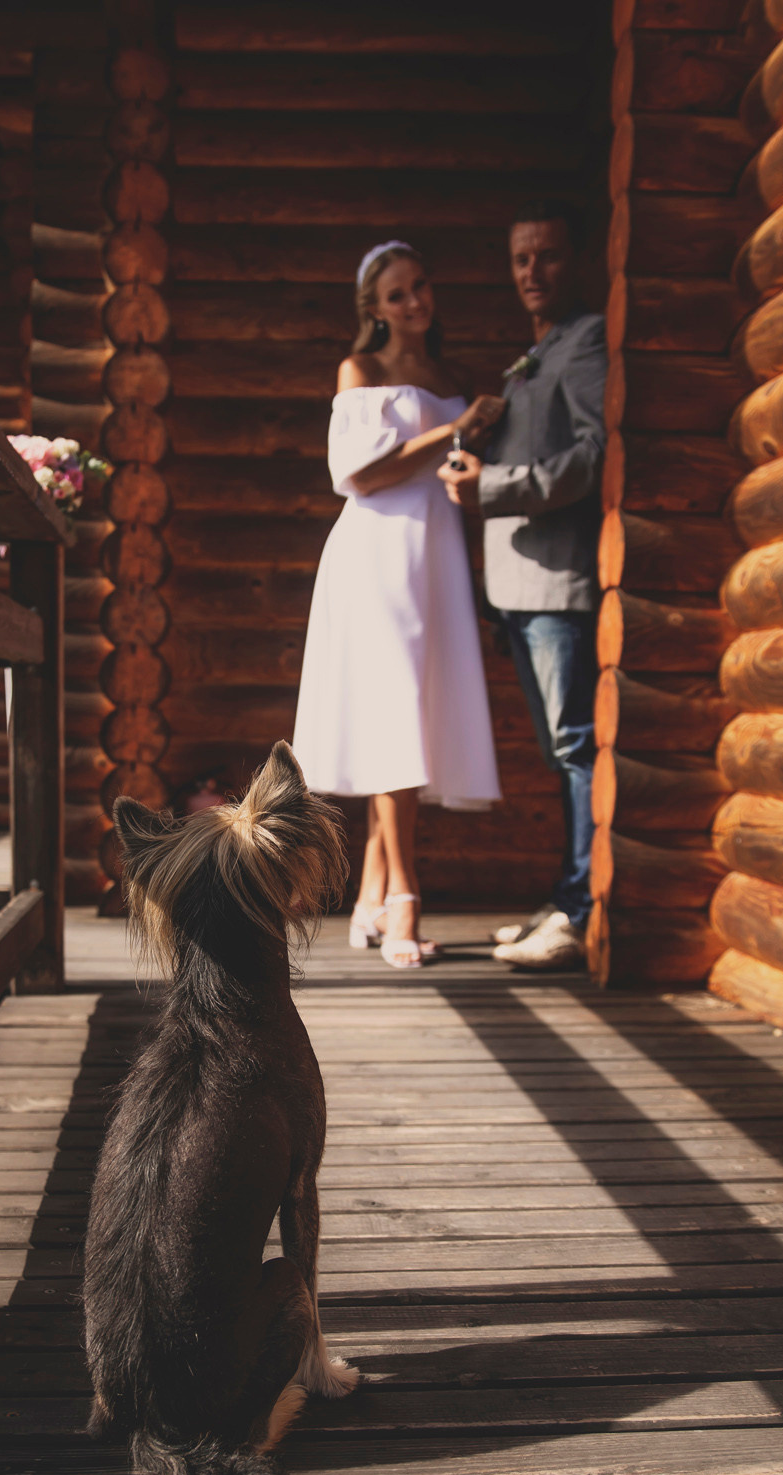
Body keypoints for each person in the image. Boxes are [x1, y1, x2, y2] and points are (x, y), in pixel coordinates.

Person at [292, 239, 503, 969]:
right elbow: (362, 476)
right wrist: (452, 428)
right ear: (373, 310)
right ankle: (405, 898)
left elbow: (450, 473)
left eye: (420, 286)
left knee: (415, 713)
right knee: (392, 718)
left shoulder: (448, 375)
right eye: (396, 294)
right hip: (377, 554)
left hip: (435, 555)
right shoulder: (361, 371)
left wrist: (468, 461)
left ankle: (369, 901)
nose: (414, 301)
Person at [439, 199, 607, 970]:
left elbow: (588, 456)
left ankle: (576, 911)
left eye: (546, 256)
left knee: (576, 748)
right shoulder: (530, 354)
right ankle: (564, 893)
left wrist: (493, 484)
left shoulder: (586, 342)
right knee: (558, 751)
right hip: (514, 587)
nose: (532, 272)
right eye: (519, 260)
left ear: (575, 260)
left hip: (558, 586)